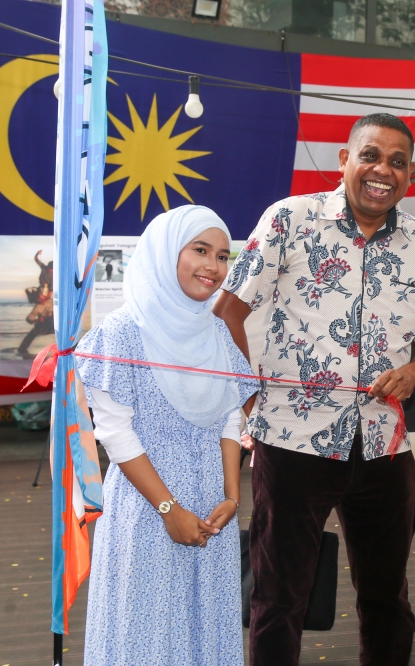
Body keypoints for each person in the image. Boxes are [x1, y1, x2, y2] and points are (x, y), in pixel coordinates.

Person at [213, 113, 415, 666]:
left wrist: (414, 375)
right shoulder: (289, 220)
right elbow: (226, 312)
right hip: (292, 445)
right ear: (345, 159)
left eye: (398, 161)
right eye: (371, 155)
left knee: (387, 600)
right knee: (279, 598)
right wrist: (252, 401)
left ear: (410, 174)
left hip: (383, 447)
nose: (383, 170)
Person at [76, 206, 258, 665]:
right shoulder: (120, 334)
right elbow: (115, 434)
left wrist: (233, 496)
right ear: (164, 253)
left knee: (206, 630)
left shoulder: (216, 332)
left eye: (222, 255)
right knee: (147, 632)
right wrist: (168, 508)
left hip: (211, 509)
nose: (213, 267)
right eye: (200, 250)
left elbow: (229, 418)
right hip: (147, 507)